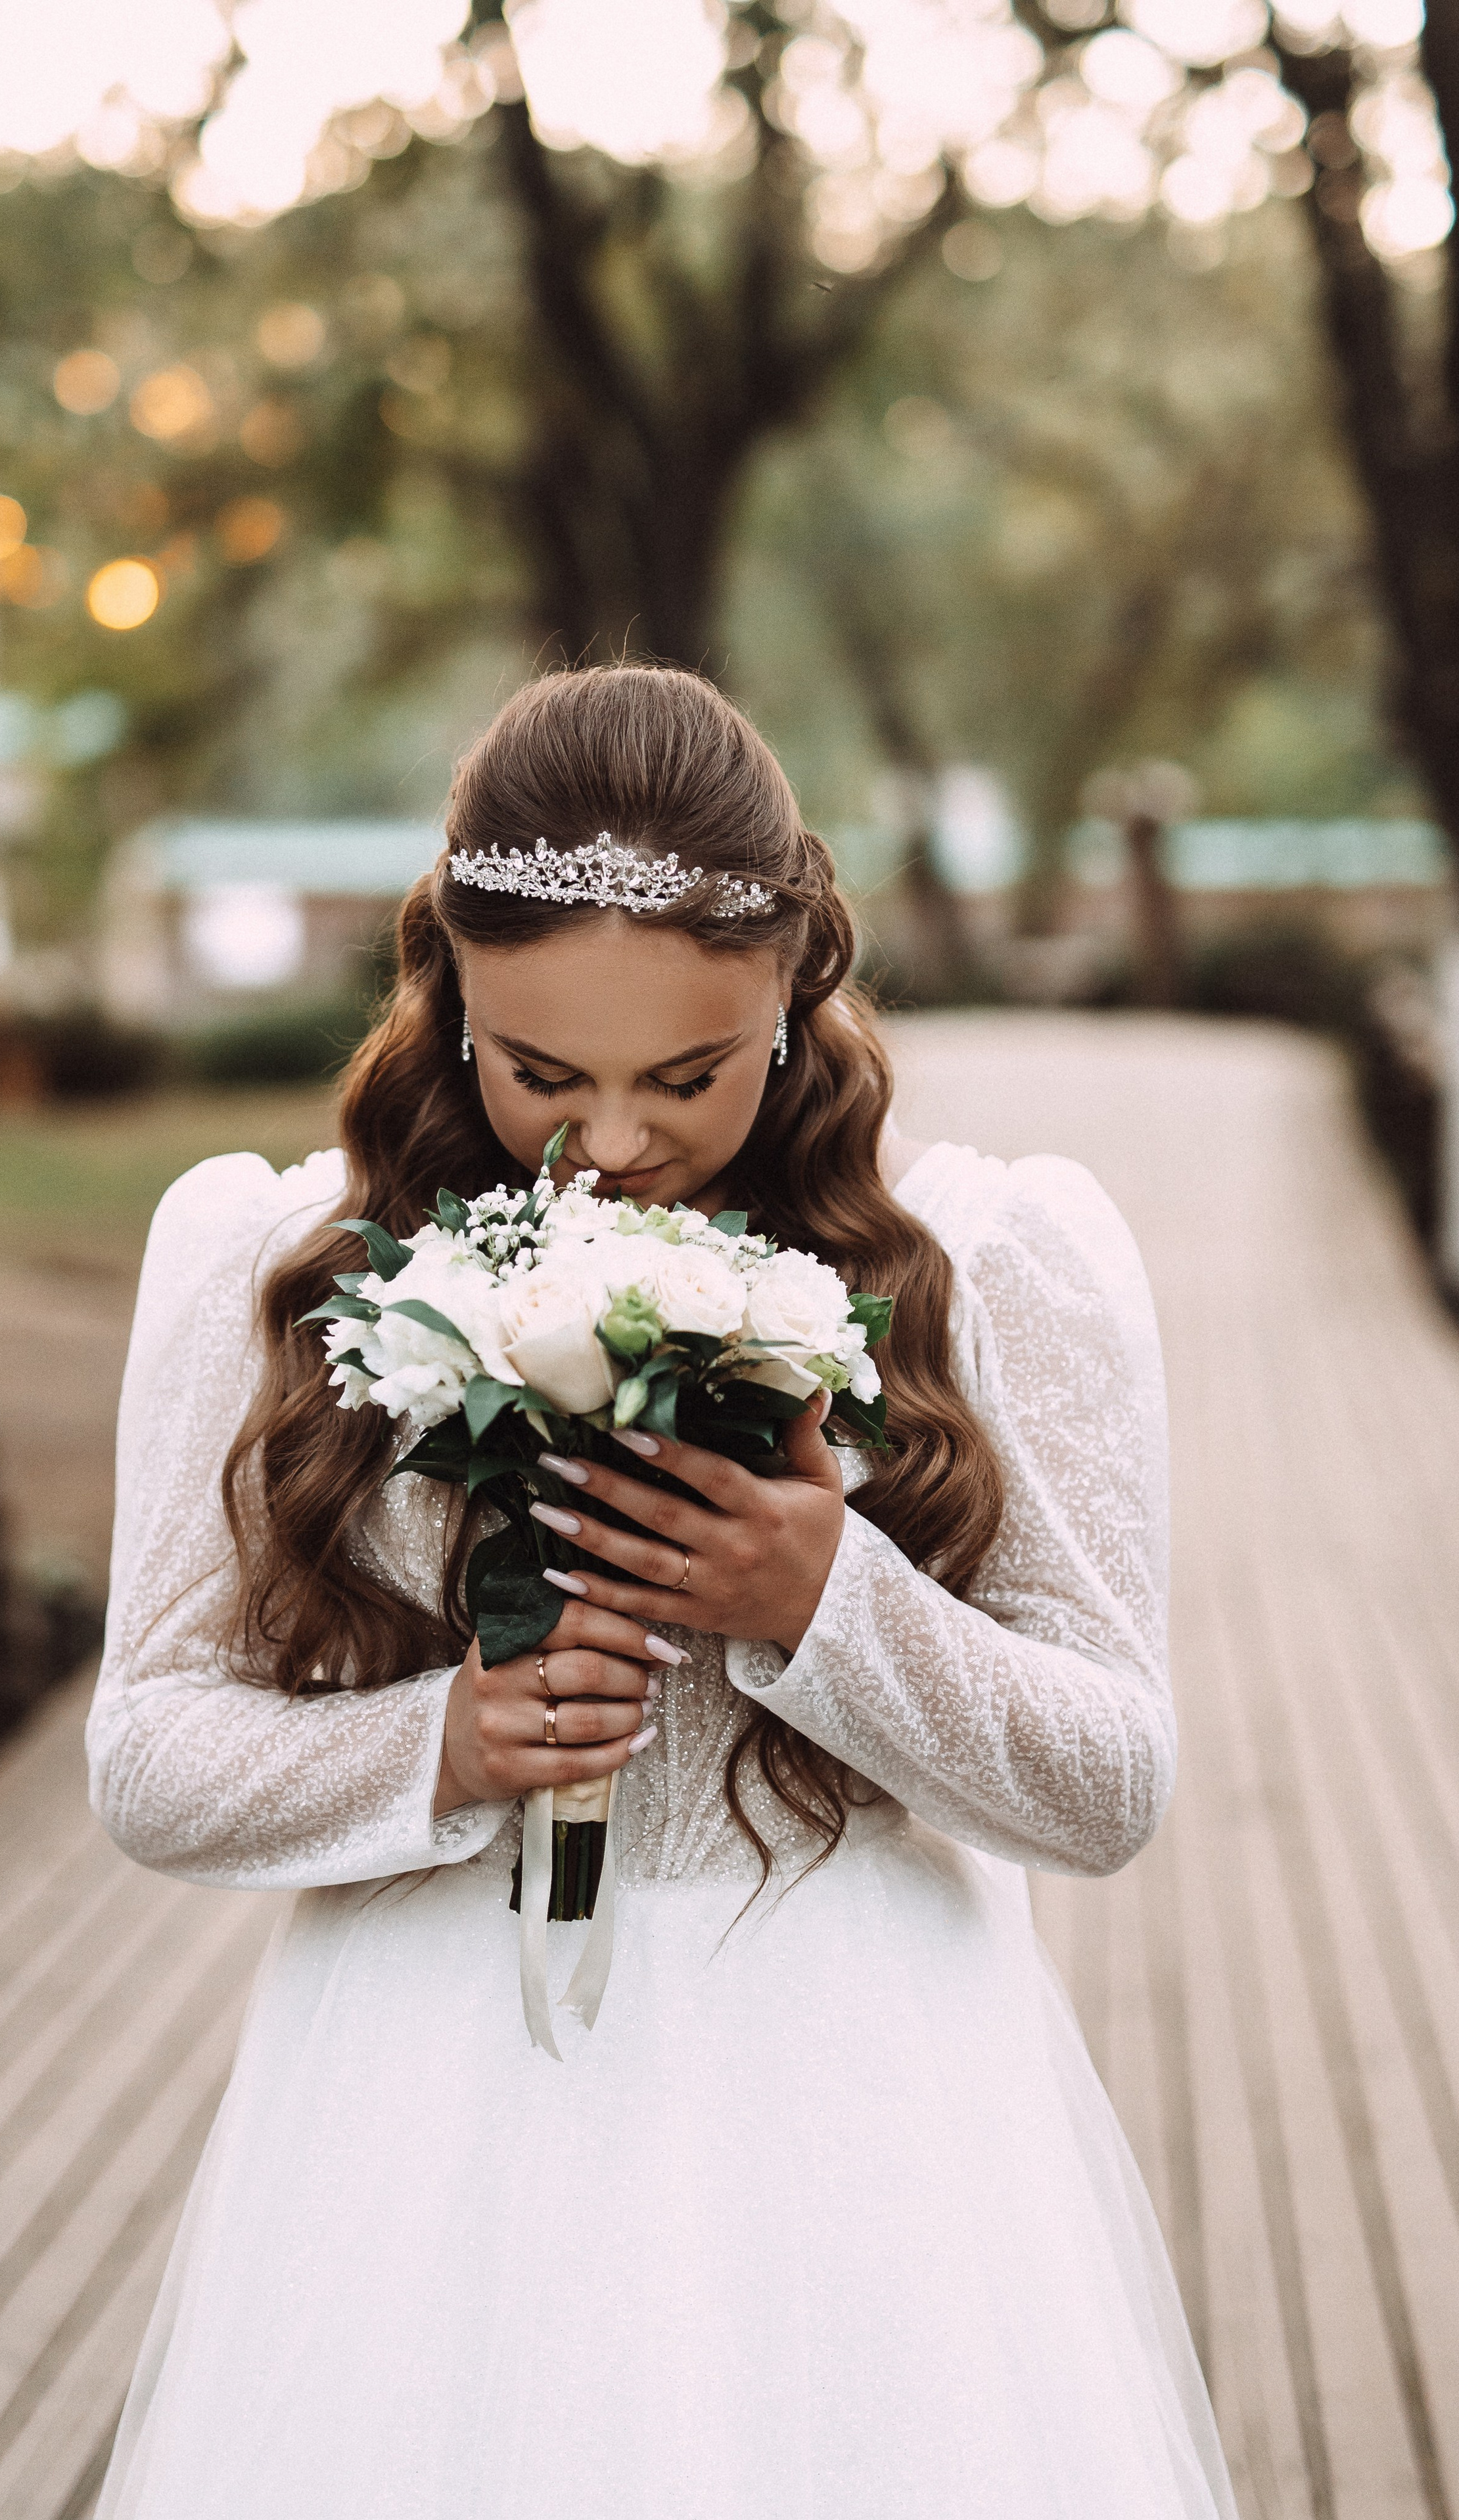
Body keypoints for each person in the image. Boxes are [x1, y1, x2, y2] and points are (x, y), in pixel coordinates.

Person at [88, 665, 1236, 2518]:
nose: (613, 1139)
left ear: (792, 984)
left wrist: (827, 1603)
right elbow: (150, 1752)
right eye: (539, 1068)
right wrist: (445, 1743)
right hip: (421, 2112)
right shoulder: (268, 1256)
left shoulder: (998, 1262)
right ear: (448, 988)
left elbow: (1108, 1784)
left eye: (686, 1074)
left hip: (859, 2107)